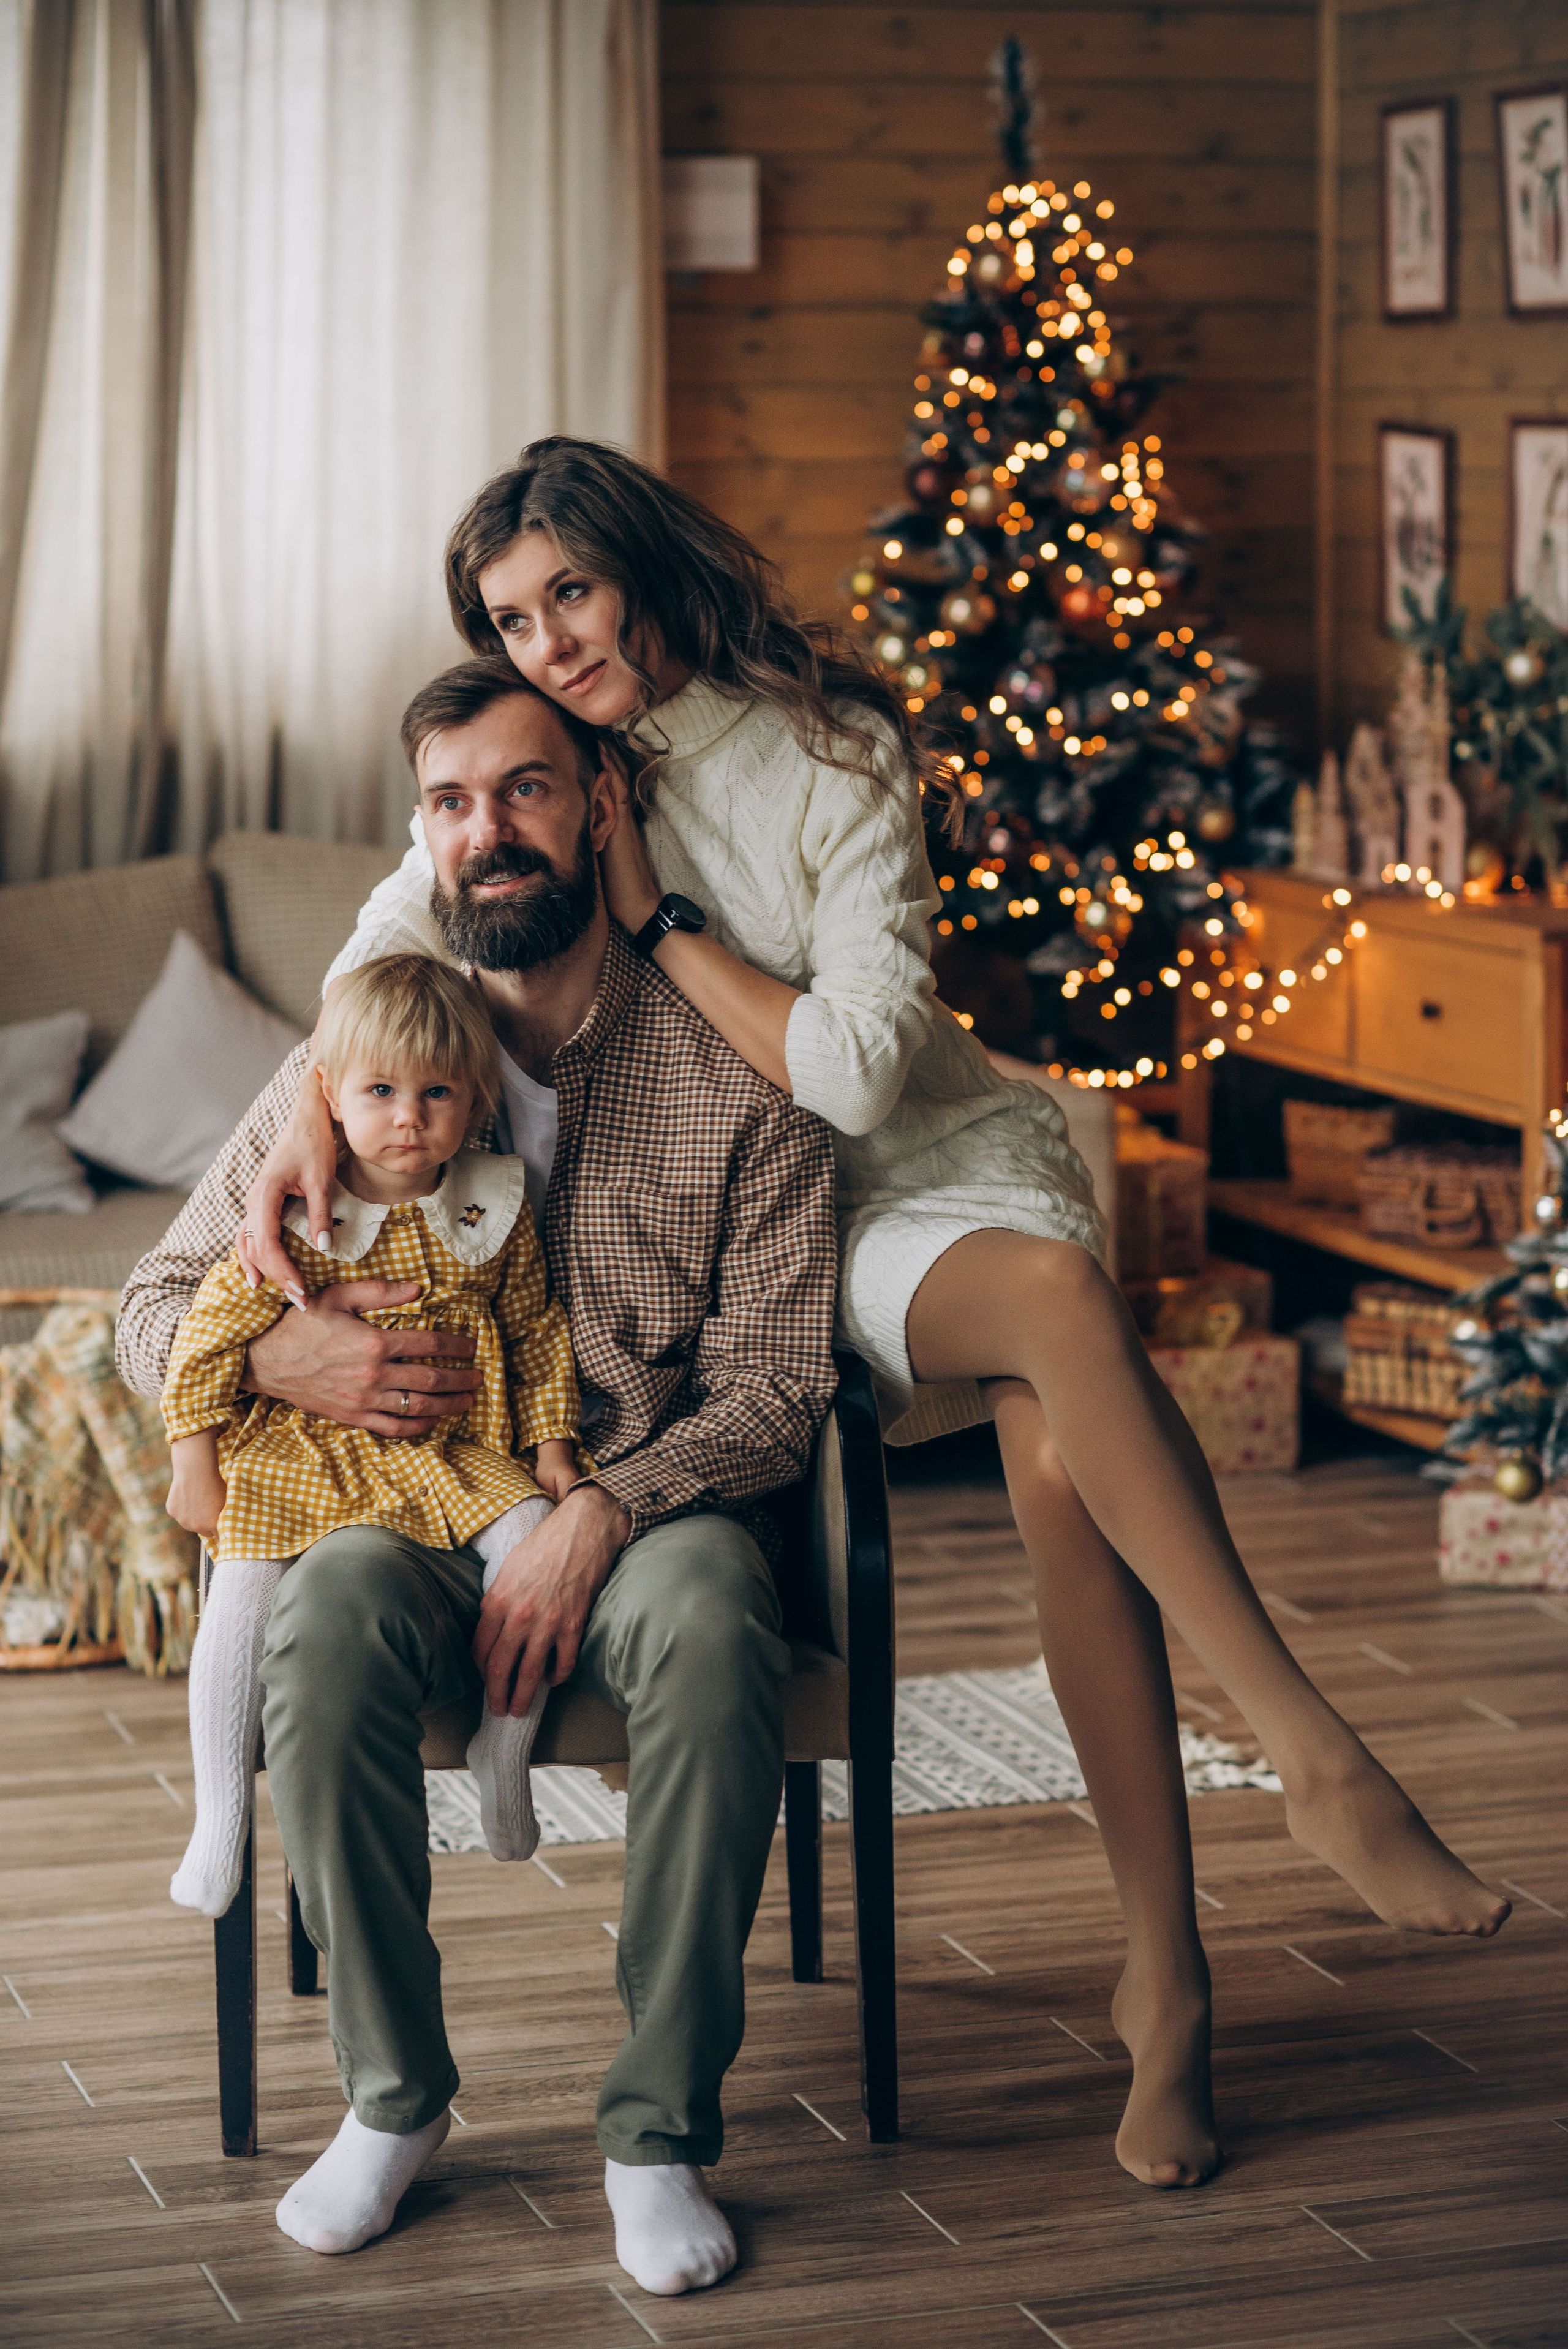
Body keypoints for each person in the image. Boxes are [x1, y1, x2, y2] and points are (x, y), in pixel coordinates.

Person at [238, 436, 1510, 2197]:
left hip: (921, 1168)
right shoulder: (551, 765)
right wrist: (315, 1094)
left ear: (642, 565)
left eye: (571, 597)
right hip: (783, 1220)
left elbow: (851, 1072)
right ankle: (1296, 1778)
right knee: (1066, 1356)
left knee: (1063, 1403)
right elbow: (391, 943)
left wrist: (664, 919)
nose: (548, 647)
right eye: (511, 620)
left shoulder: (835, 748)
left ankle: (1187, 1966)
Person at [116, 660, 839, 2296]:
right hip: (394, 1503)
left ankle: (659, 2128)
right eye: (451, 800)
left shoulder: (739, 1061)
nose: (486, 830)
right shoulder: (356, 1053)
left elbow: (783, 1385)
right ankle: (394, 2098)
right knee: (325, 1621)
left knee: (723, 1619)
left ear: (602, 805)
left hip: (649, 1500)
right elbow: (158, 1307)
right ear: (422, 835)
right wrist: (284, 1359)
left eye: (523, 788)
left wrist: (605, 1505)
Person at [162, 953, 582, 1918]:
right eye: (381, 1091)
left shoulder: (490, 1205)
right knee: (241, 1598)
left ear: (475, 1099)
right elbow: (207, 1333)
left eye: (437, 1093)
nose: (408, 1117)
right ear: (329, 1098)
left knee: (532, 1552)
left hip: (448, 1452)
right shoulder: (302, 1214)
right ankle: (220, 1815)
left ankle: (503, 1753)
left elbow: (535, 1329)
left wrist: (552, 1446)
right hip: (302, 1451)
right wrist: (194, 1459)